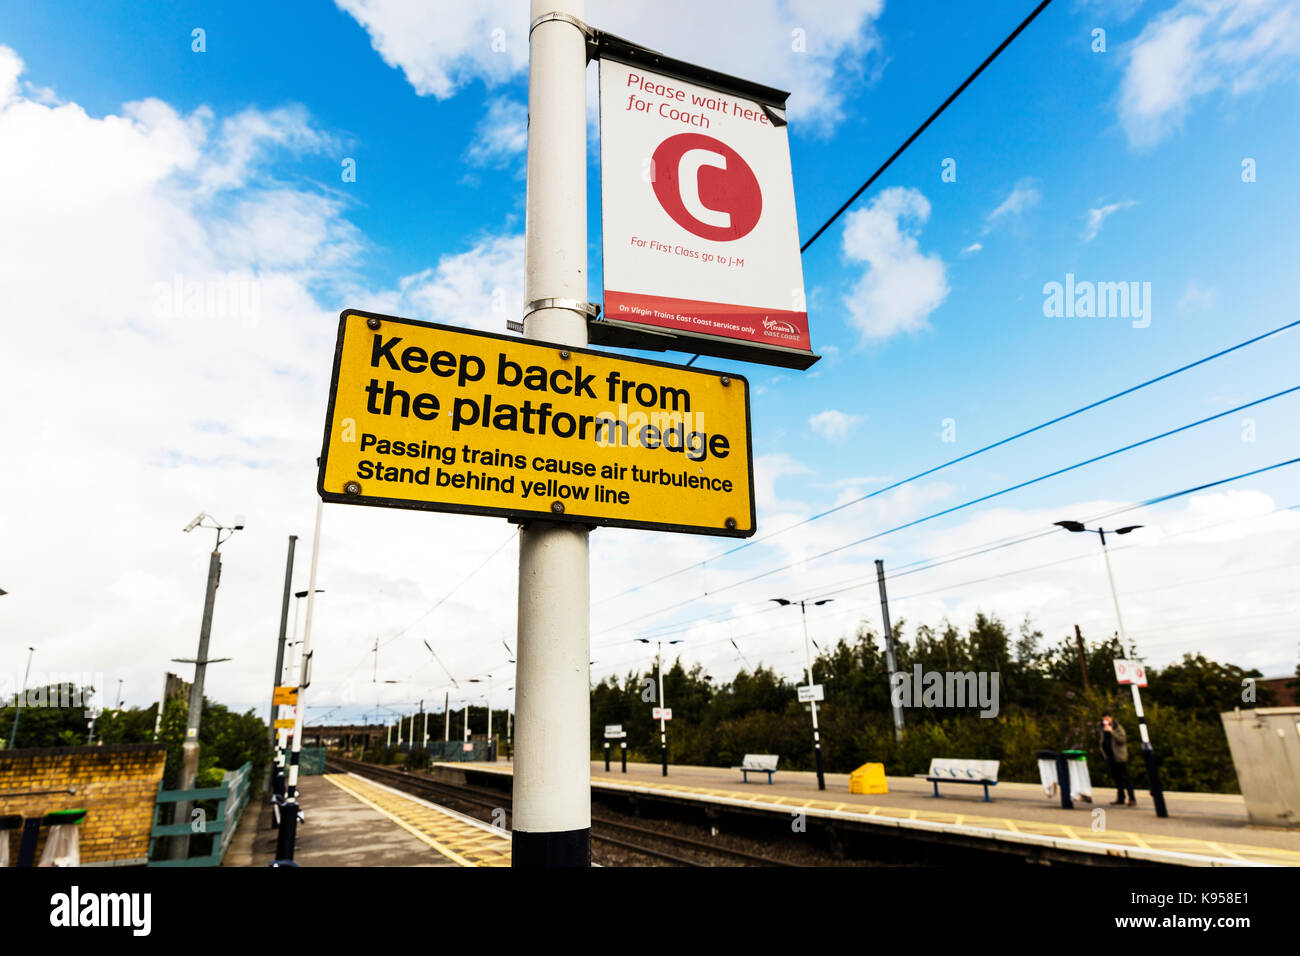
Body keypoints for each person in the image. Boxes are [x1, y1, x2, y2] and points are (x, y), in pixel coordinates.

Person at [1100, 713, 1136, 806]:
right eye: (1104, 719)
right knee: (1117, 778)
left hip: (1119, 757)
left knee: (1125, 777)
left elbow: (1122, 740)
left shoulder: (1118, 728)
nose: (1106, 721)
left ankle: (1132, 798)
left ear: (1111, 718)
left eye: (1107, 718)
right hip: (1110, 756)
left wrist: (1112, 731)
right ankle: (1121, 797)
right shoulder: (1102, 729)